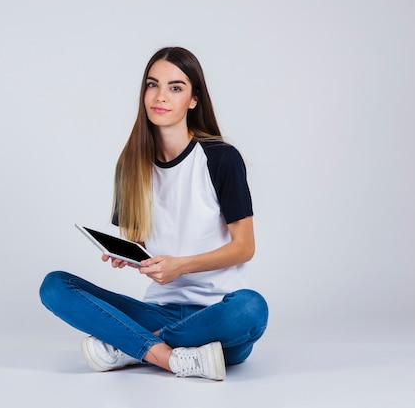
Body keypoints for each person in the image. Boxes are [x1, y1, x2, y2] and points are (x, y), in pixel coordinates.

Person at [39, 47, 268, 380]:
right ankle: (170, 357)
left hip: (218, 315)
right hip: (158, 312)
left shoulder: (221, 158)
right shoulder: (130, 166)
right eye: (152, 85)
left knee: (251, 309)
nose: (160, 96)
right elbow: (142, 242)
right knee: (54, 286)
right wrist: (131, 256)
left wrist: (181, 266)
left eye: (175, 87)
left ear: (193, 99)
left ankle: (132, 346)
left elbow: (244, 247)